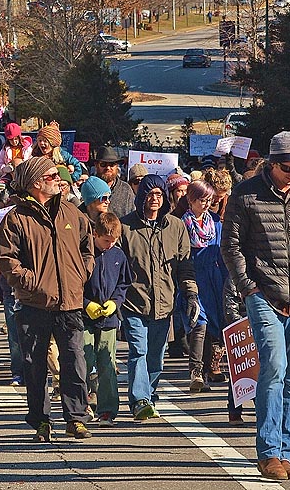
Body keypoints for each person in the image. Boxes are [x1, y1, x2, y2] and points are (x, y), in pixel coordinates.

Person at [221, 131, 290, 481]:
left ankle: (285, 451)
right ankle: (268, 452)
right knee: (274, 365)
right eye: (288, 168)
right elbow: (231, 246)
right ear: (272, 164)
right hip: (263, 294)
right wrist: (249, 288)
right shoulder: (246, 194)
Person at [0, 156, 95, 441]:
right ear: (36, 182)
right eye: (52, 176)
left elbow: (88, 247)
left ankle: (76, 418)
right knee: (35, 365)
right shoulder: (16, 219)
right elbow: (5, 258)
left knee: (75, 362)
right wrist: (31, 282)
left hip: (71, 303)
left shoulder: (72, 213)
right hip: (34, 304)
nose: (58, 179)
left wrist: (82, 272)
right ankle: (41, 421)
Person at [120, 174, 197, 420]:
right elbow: (116, 266)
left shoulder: (176, 226)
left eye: (159, 194)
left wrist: (191, 294)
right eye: (150, 194)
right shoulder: (126, 227)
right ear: (141, 195)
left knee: (156, 357)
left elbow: (185, 266)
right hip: (134, 301)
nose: (155, 199)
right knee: (138, 351)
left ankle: (150, 396)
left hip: (164, 304)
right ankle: (139, 399)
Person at [178, 180, 229, 393]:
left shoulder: (215, 222)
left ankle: (208, 371)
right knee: (199, 323)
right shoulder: (182, 224)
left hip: (214, 277)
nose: (206, 204)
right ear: (191, 200)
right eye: (202, 200)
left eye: (209, 200)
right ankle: (195, 372)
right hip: (193, 275)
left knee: (213, 327)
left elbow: (221, 253)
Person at [83, 212, 132, 427]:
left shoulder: (118, 255)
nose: (109, 245)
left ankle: (107, 409)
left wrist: (115, 302)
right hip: (84, 316)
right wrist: (86, 304)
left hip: (109, 317)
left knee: (107, 361)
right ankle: (83, 403)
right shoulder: (84, 253)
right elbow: (73, 284)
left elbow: (124, 284)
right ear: (95, 234)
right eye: (105, 241)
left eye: (113, 241)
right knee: (83, 360)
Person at [95, 146, 135, 218]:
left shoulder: (126, 189)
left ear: (117, 166)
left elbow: (132, 217)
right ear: (96, 165)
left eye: (111, 164)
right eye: (103, 164)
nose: (108, 168)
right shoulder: (87, 188)